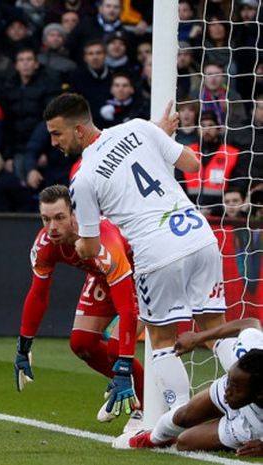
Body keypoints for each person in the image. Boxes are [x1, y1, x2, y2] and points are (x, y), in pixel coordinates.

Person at [45, 94, 230, 417]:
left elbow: (90, 246)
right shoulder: (139, 128)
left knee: (162, 339)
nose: (53, 142)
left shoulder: (83, 177)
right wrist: (159, 139)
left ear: (77, 129)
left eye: (56, 133)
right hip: (199, 235)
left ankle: (179, 419)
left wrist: (78, 248)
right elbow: (191, 164)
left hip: (156, 251)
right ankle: (253, 399)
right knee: (217, 329)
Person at [14, 184, 143, 427]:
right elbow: (38, 295)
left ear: (75, 215)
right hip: (104, 278)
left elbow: (127, 309)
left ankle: (143, 406)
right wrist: (23, 346)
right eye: (46, 218)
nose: (52, 227)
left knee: (117, 349)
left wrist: (123, 366)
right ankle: (132, 386)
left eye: (60, 218)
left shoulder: (103, 241)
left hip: (142, 276)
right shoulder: (45, 244)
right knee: (81, 344)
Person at [116, 318, 263, 456]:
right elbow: (250, 323)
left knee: (184, 443)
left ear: (259, 393)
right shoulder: (250, 349)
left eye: (235, 387)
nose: (227, 391)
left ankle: (228, 439)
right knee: (183, 416)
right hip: (247, 395)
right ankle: (150, 439)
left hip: (253, 426)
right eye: (230, 382)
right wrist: (198, 338)